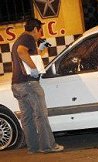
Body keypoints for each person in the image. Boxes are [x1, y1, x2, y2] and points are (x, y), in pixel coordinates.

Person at [11, 18, 64, 154]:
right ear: (35, 29)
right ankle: (48, 146)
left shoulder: (20, 39)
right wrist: (34, 68)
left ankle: (33, 148)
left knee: (27, 117)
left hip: (17, 84)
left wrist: (40, 49)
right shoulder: (28, 38)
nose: (40, 34)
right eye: (40, 30)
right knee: (40, 115)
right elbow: (21, 52)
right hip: (28, 84)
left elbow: (27, 56)